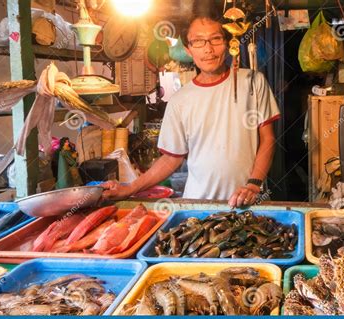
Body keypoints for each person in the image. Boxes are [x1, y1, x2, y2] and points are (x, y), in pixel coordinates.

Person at [102, 12, 280, 207]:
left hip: (249, 200)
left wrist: (254, 184)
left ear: (228, 44)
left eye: (215, 39)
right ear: (188, 49)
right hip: (198, 205)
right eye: (198, 42)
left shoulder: (253, 81)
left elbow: (268, 139)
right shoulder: (180, 100)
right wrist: (130, 188)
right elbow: (171, 159)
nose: (208, 49)